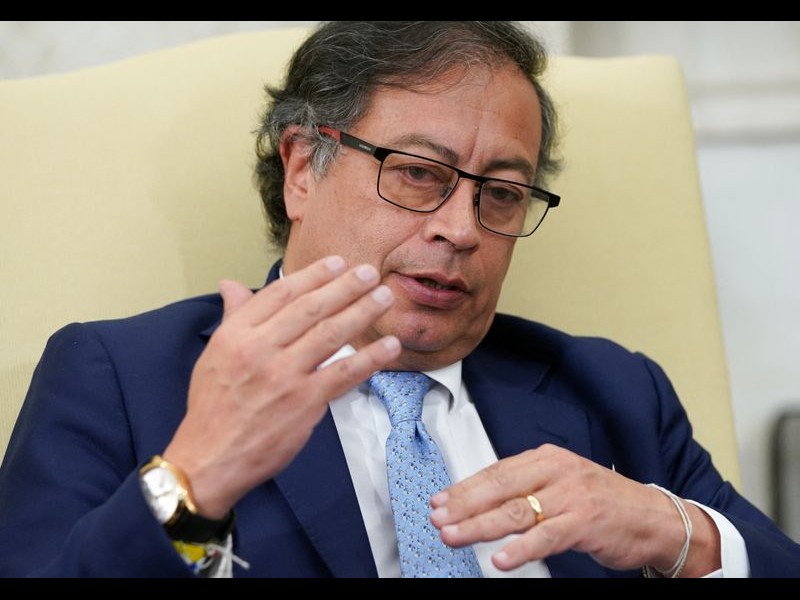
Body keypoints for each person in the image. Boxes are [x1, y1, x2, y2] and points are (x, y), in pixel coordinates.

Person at [0, 21, 798, 579]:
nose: (462, 229)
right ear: (302, 169)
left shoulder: (614, 392)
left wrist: (678, 534)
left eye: (503, 193)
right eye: (418, 173)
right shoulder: (121, 377)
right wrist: (195, 482)